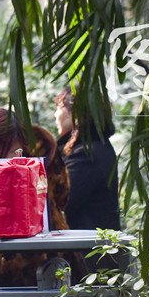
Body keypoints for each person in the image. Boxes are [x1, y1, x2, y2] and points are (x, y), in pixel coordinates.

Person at [0, 107, 71, 285]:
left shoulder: (44, 149)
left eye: (14, 149)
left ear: (23, 142)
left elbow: (62, 195)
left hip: (51, 251)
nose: (8, 156)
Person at [54, 86, 121, 231]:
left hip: (89, 243)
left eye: (59, 108)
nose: (56, 114)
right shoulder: (96, 147)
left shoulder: (87, 154)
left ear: (75, 113)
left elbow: (60, 200)